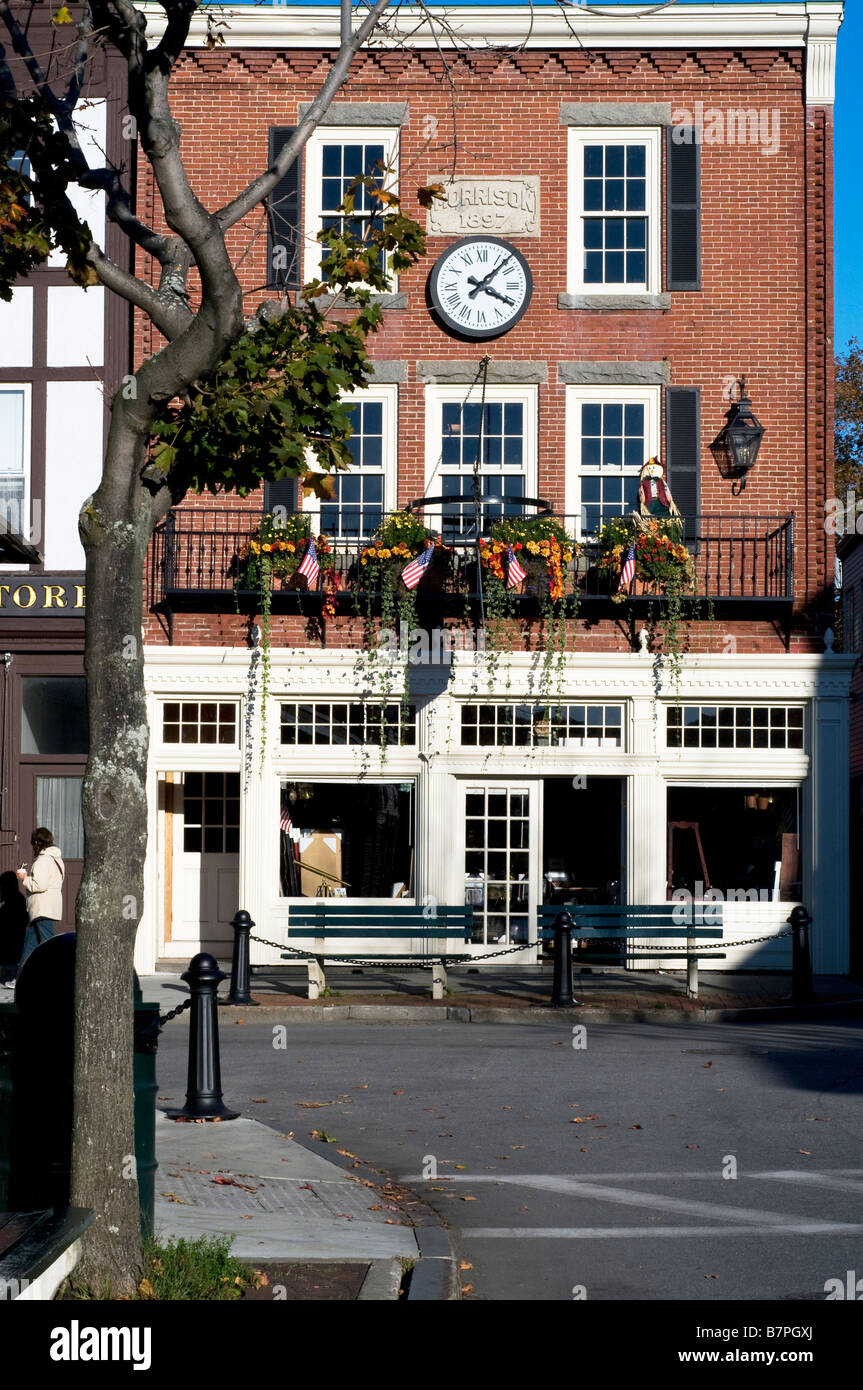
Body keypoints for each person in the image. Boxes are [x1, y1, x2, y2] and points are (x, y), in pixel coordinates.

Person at [10, 827, 65, 983]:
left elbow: (39, 885)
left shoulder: (42, 861)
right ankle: (20, 979)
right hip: (48, 906)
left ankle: (58, 977)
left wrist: (24, 878)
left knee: (48, 944)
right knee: (30, 944)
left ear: (36, 842)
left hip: (42, 908)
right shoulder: (56, 859)